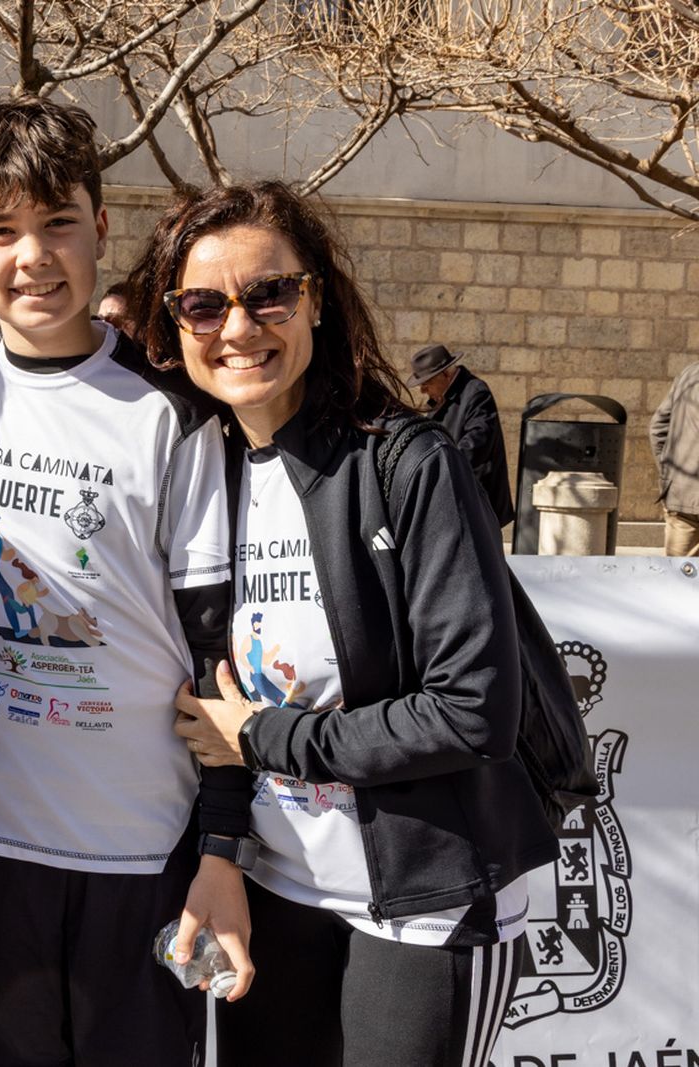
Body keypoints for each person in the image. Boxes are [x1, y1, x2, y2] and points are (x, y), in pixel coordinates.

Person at [134, 180, 558, 1067]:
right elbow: (214, 707)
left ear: (316, 299)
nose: (239, 327)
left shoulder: (410, 462)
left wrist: (268, 737)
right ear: (174, 326)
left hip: (427, 896)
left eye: (269, 294)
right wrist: (220, 845)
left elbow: (472, 708)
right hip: (277, 887)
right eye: (204, 304)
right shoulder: (200, 472)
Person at [0, 98, 250, 1067]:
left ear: (101, 226)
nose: (34, 255)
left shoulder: (171, 415)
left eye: (58, 221)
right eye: (1, 230)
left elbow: (217, 649)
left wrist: (219, 841)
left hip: (137, 861)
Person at [407, 343, 515, 526]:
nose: (423, 390)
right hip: (454, 497)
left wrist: (442, 464)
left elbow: (477, 441)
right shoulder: (439, 400)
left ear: (446, 374)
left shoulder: (476, 392)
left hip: (476, 500)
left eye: (427, 383)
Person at [650, 361, 699, 555]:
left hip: (681, 493)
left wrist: (669, 474)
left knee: (676, 576)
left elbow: (656, 428)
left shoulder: (689, 373)